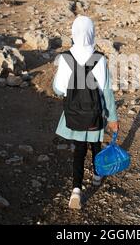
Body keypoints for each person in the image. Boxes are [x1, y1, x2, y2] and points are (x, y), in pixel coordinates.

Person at [53, 16, 120, 210]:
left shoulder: (65, 58)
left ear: (74, 33)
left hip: (74, 114)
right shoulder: (99, 59)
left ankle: (76, 190)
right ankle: (98, 176)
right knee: (96, 145)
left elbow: (58, 88)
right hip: (95, 113)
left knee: (79, 151)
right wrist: (112, 118)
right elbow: (106, 91)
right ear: (92, 33)